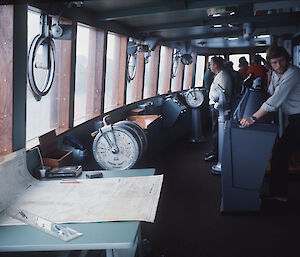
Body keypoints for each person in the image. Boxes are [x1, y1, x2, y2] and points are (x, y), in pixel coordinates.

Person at [240, 45, 300, 202]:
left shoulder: (292, 73)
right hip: (294, 118)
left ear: (287, 59)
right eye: (274, 62)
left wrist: (253, 118)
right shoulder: (274, 73)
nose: (278, 65)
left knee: (280, 154)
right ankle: (278, 192)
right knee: (280, 153)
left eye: (281, 61)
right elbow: (271, 93)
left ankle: (279, 195)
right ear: (269, 64)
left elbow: (274, 101)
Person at [205, 57, 232, 174]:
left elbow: (221, 94)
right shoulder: (221, 75)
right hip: (217, 107)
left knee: (216, 131)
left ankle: (216, 154)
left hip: (218, 108)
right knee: (215, 130)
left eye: (211, 64)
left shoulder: (223, 75)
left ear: (216, 65)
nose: (210, 66)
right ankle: (214, 151)